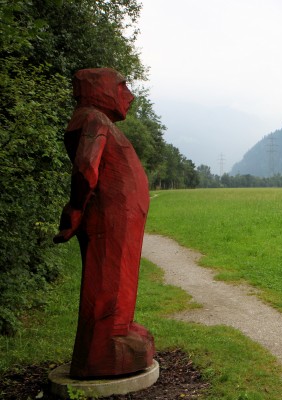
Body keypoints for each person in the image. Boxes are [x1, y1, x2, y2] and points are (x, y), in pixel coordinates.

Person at [54, 68, 155, 378]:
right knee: (109, 273)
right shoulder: (93, 120)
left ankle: (119, 326)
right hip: (111, 216)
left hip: (121, 216)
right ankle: (103, 344)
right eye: (122, 86)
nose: (129, 95)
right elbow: (86, 166)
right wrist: (75, 208)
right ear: (99, 88)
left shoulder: (100, 121)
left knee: (121, 272)